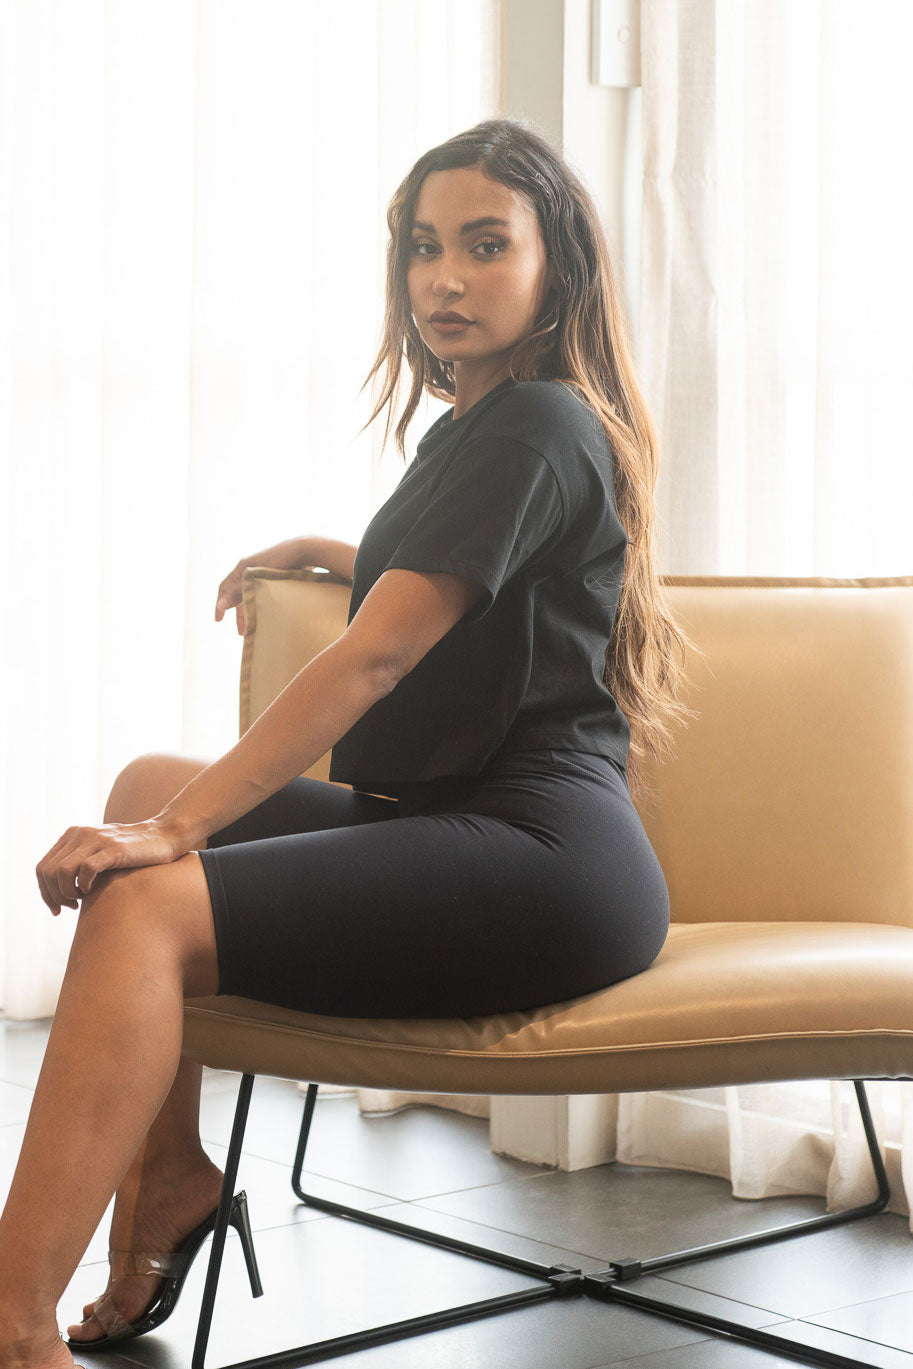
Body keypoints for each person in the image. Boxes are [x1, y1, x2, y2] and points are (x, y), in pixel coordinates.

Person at [0, 117, 697, 1368]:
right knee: (145, 781)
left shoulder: (540, 421)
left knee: (147, 888)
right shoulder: (478, 430)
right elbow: (471, 581)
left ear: (558, 266)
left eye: (485, 245)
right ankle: (169, 1178)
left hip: (548, 858)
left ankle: (13, 1328)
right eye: (424, 248)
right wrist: (339, 553)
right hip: (464, 825)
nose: (445, 278)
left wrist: (176, 832)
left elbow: (378, 656)